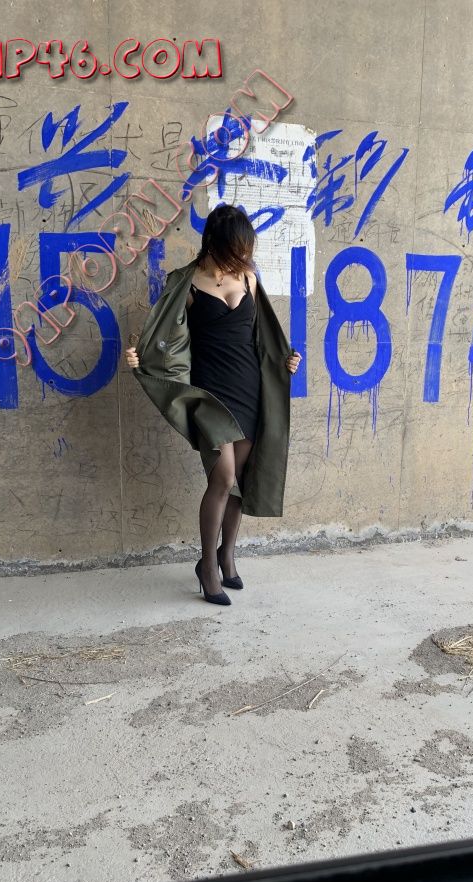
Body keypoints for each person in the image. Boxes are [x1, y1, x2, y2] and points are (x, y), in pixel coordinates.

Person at [125, 204, 301, 606]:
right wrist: (140, 359)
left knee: (238, 480)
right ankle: (207, 565)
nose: (244, 254)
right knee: (222, 477)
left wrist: (287, 361)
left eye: (246, 248)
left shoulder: (249, 278)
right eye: (238, 247)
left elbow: (263, 339)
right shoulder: (185, 283)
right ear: (217, 243)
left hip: (249, 389)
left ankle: (227, 555)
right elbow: (162, 339)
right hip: (209, 393)